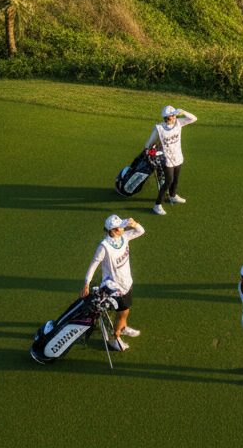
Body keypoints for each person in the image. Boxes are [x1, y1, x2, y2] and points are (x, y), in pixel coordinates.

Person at [82, 214, 145, 351]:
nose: (124, 228)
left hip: (127, 282)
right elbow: (93, 264)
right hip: (115, 287)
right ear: (114, 230)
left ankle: (122, 328)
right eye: (121, 227)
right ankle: (114, 338)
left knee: (125, 311)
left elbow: (141, 231)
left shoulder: (124, 237)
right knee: (122, 312)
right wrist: (87, 283)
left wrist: (134, 224)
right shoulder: (104, 247)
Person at [146, 105, 197, 215]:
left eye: (173, 116)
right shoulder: (159, 129)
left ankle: (173, 196)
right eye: (169, 118)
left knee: (175, 179)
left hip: (178, 156)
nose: (172, 119)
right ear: (164, 118)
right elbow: (149, 144)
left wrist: (183, 111)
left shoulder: (179, 122)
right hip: (166, 159)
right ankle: (157, 205)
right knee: (168, 181)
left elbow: (194, 118)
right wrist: (150, 150)